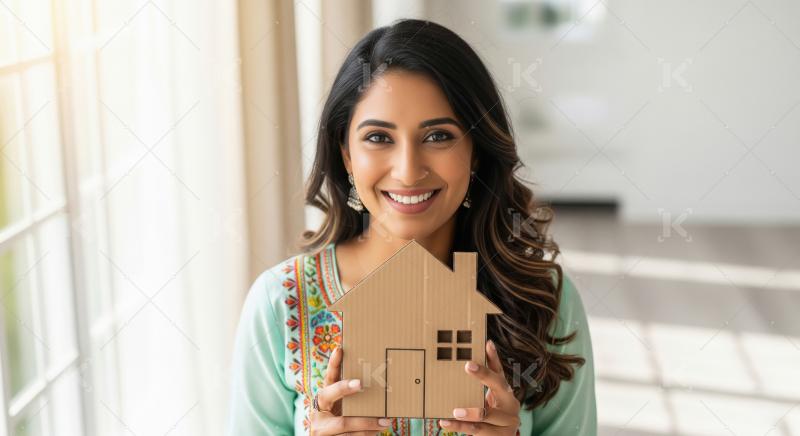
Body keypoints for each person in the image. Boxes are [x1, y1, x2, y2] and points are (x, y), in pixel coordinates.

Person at [227, 18, 597, 436]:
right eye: (378, 138)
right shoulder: (281, 304)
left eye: (438, 136)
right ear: (346, 154)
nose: (407, 171)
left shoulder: (544, 301)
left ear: (476, 152)